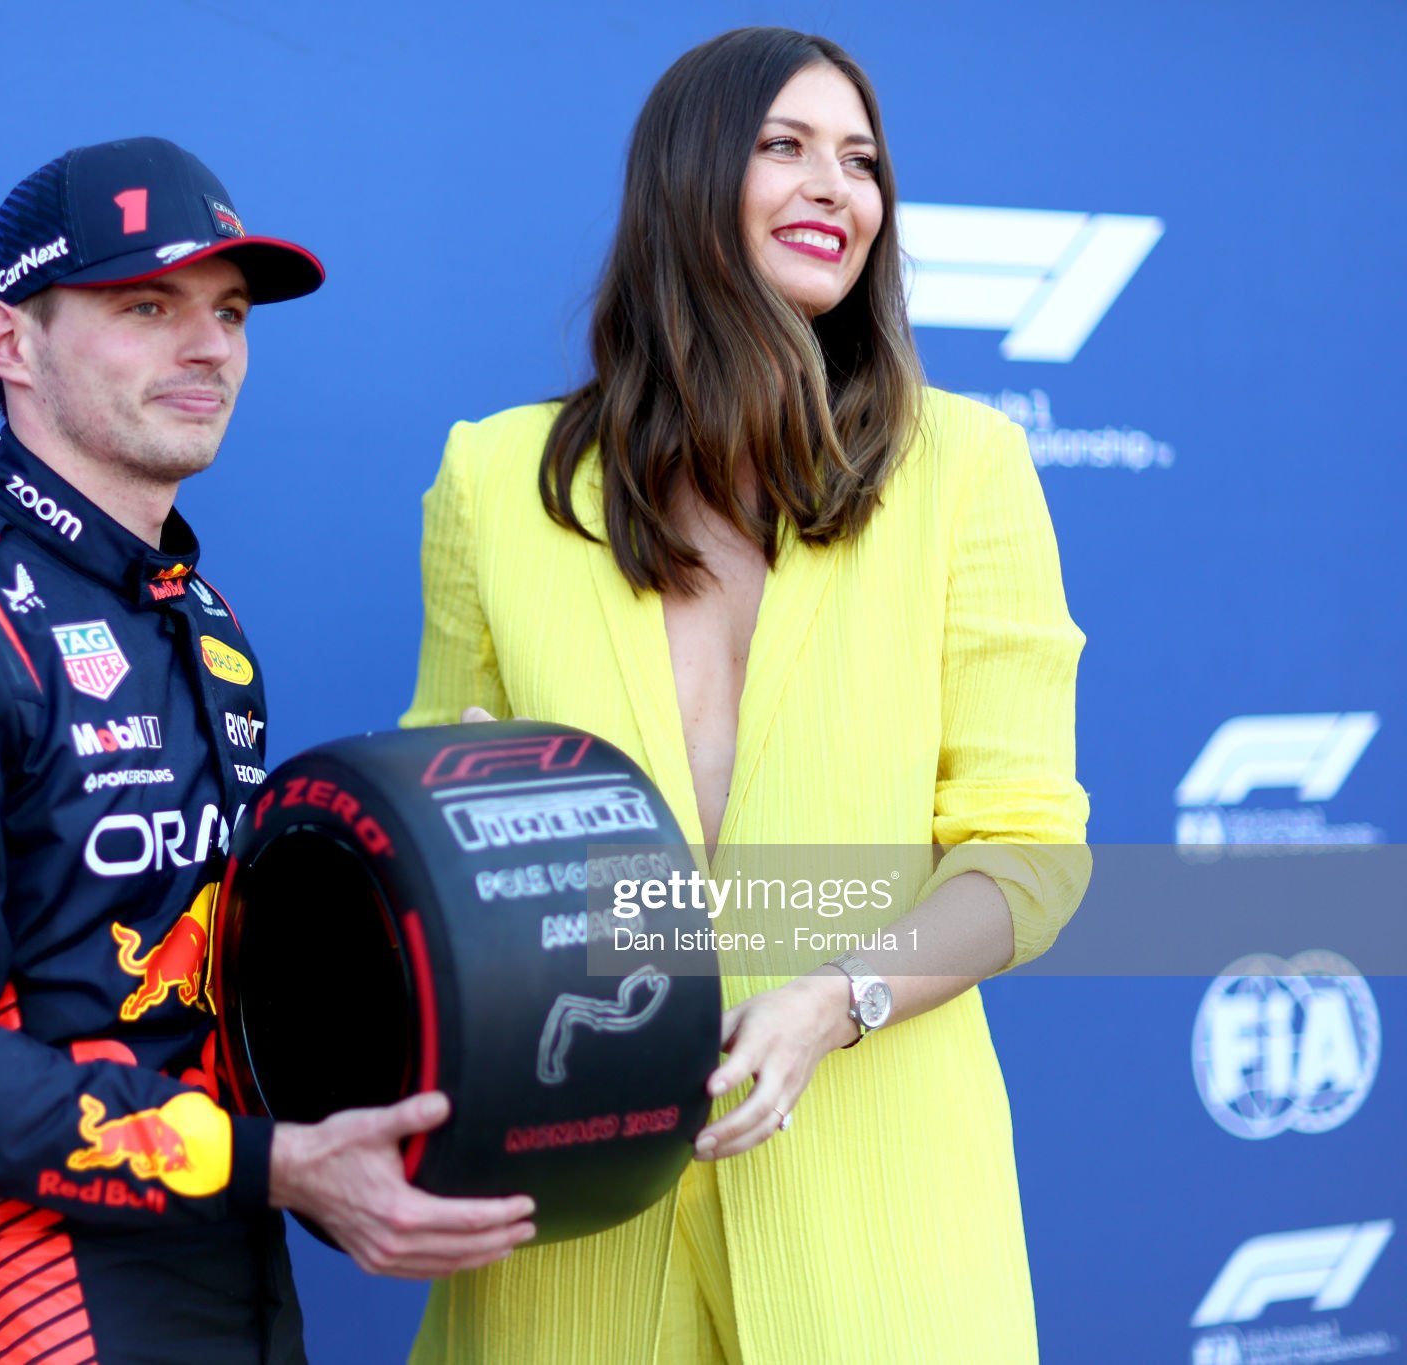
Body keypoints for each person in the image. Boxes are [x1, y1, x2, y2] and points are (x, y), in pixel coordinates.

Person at [0, 137, 534, 1365]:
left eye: (226, 313)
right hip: (42, 1305)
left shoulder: (205, 623)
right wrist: (269, 1162)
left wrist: (424, 844)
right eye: (145, 306)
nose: (208, 346)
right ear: (10, 342)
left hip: (243, 1282)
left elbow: (226, 960)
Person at [402, 29, 1090, 1365]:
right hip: (570, 1220)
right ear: (688, 176)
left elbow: (1028, 852)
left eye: (862, 160)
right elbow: (429, 840)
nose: (837, 185)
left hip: (876, 1224)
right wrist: (461, 822)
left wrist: (838, 997)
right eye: (785, 145)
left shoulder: (968, 469)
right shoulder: (492, 482)